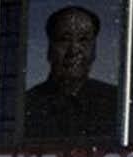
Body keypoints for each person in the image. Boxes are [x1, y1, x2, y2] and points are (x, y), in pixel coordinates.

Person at [23, 5, 120, 146]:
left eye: (83, 40)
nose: (74, 49)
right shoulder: (26, 107)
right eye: (64, 39)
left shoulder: (116, 104)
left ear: (94, 50)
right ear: (49, 49)